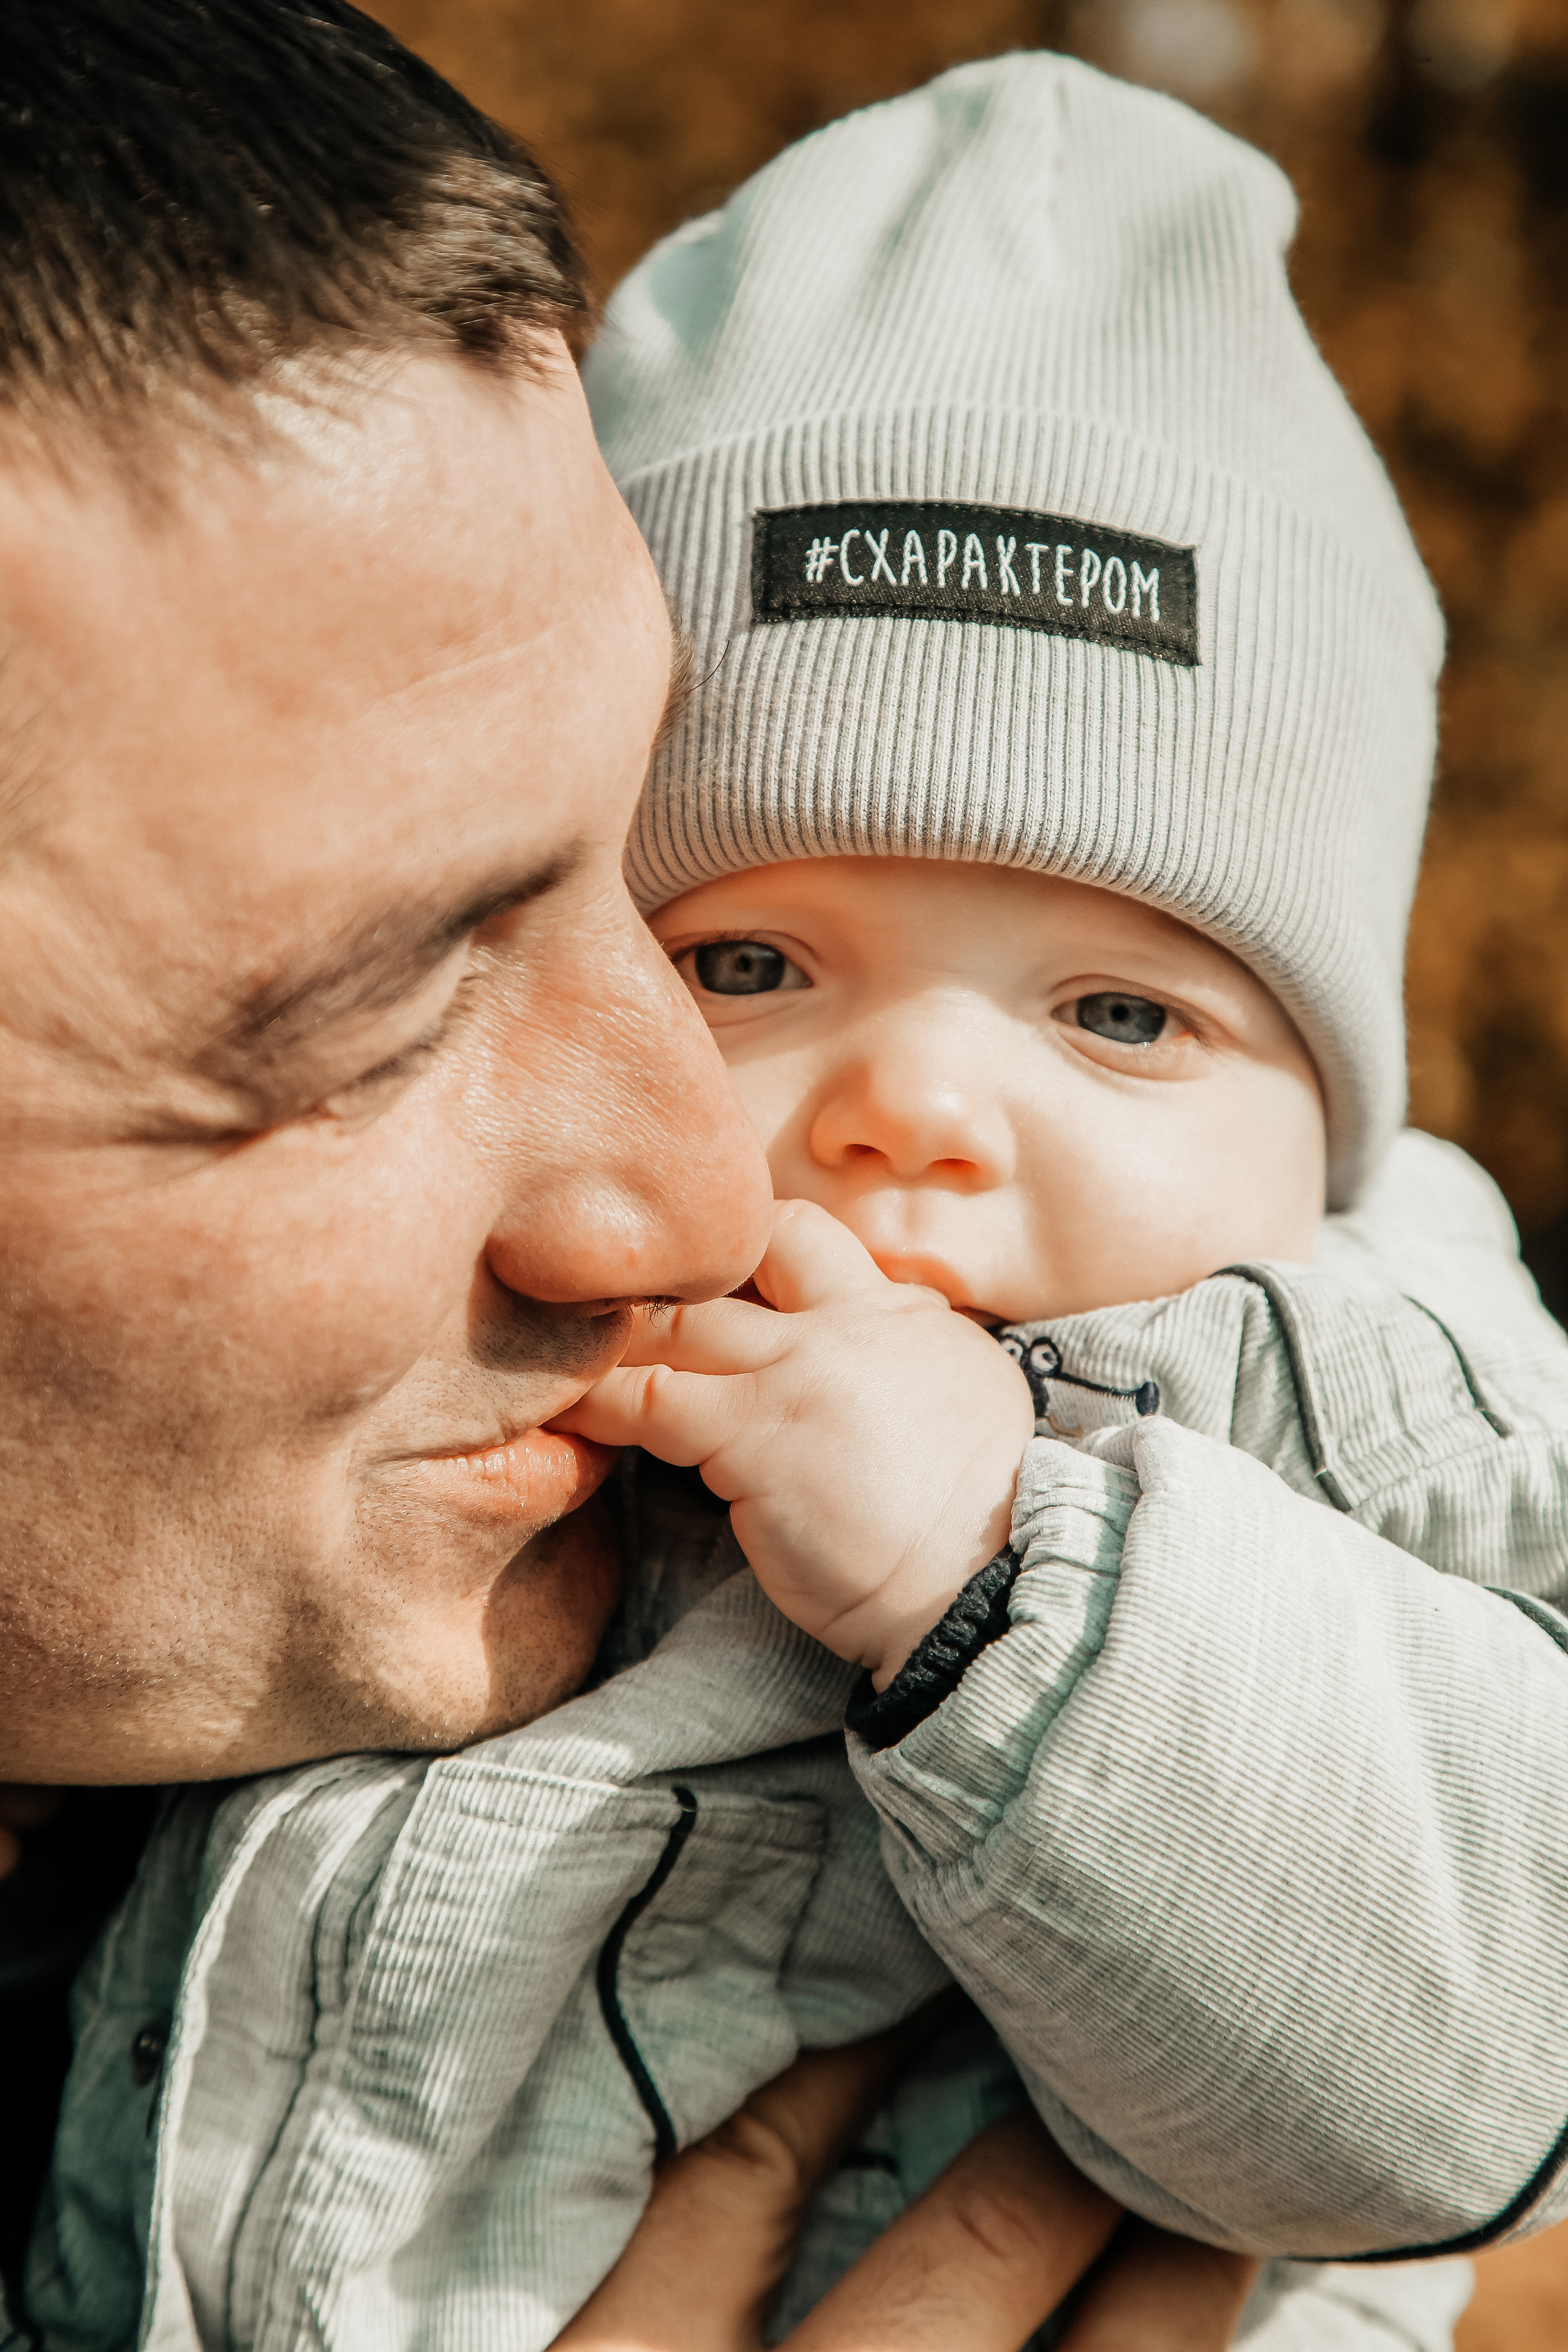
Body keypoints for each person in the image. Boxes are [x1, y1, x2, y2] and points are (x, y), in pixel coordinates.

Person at [26, 45, 1568, 2352]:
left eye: (1125, 1018)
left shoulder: (1335, 1450)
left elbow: (1481, 2064)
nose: (897, 1115)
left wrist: (1009, 1585)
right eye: (738, 957)